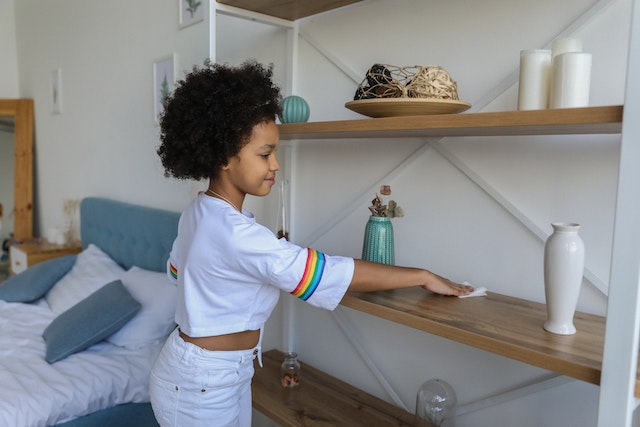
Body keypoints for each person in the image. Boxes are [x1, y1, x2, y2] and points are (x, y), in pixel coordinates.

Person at [149, 59, 474, 427]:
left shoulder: (199, 211)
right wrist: (421, 275)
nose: (276, 165)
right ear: (224, 155)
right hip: (202, 385)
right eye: (265, 154)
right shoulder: (236, 234)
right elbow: (325, 274)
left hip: (207, 374)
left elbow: (177, 271)